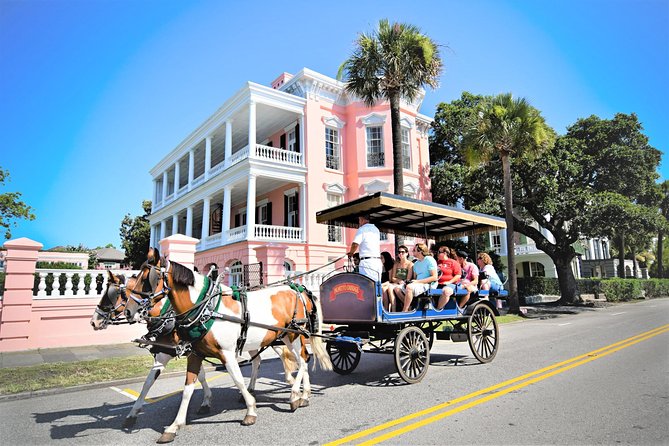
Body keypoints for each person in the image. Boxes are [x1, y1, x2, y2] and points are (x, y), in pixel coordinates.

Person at [394, 243, 438, 312]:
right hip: (417, 284)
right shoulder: (416, 263)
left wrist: (417, 282)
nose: (412, 251)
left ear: (420, 251)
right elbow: (415, 278)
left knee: (409, 287)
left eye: (414, 250)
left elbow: (434, 277)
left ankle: (404, 311)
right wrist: (411, 282)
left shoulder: (429, 259)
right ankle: (410, 306)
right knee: (397, 288)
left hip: (428, 284)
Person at [347, 214, 382, 282]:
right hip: (377, 261)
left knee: (367, 284)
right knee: (377, 284)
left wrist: (351, 253)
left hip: (367, 262)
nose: (359, 222)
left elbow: (355, 244)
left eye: (359, 220)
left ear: (362, 219)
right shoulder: (376, 229)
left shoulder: (362, 229)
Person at [382, 245, 414, 311]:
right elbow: (393, 278)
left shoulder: (410, 264)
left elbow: (408, 279)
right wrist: (399, 281)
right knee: (384, 288)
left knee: (391, 288)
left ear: (407, 253)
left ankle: (399, 309)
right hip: (397, 283)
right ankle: (387, 310)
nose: (400, 254)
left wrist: (400, 281)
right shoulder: (396, 264)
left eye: (402, 252)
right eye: (399, 252)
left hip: (405, 284)